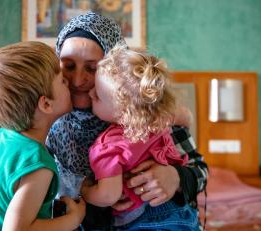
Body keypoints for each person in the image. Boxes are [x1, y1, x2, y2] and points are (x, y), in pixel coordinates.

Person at [46, 12, 208, 230]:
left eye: (92, 68)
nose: (77, 80)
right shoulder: (45, 121)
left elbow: (201, 172)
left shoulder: (152, 113)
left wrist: (176, 178)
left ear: (115, 70)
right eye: (69, 66)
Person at [0, 41, 86, 231]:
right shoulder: (37, 164)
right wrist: (74, 219)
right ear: (46, 104)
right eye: (62, 80)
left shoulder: (6, 134)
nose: (69, 82)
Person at [80, 44, 196, 229]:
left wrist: (85, 191)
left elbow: (108, 196)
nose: (90, 93)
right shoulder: (158, 120)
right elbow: (184, 116)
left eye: (98, 96)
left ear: (124, 113)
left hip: (142, 221)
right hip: (182, 213)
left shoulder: (108, 146)